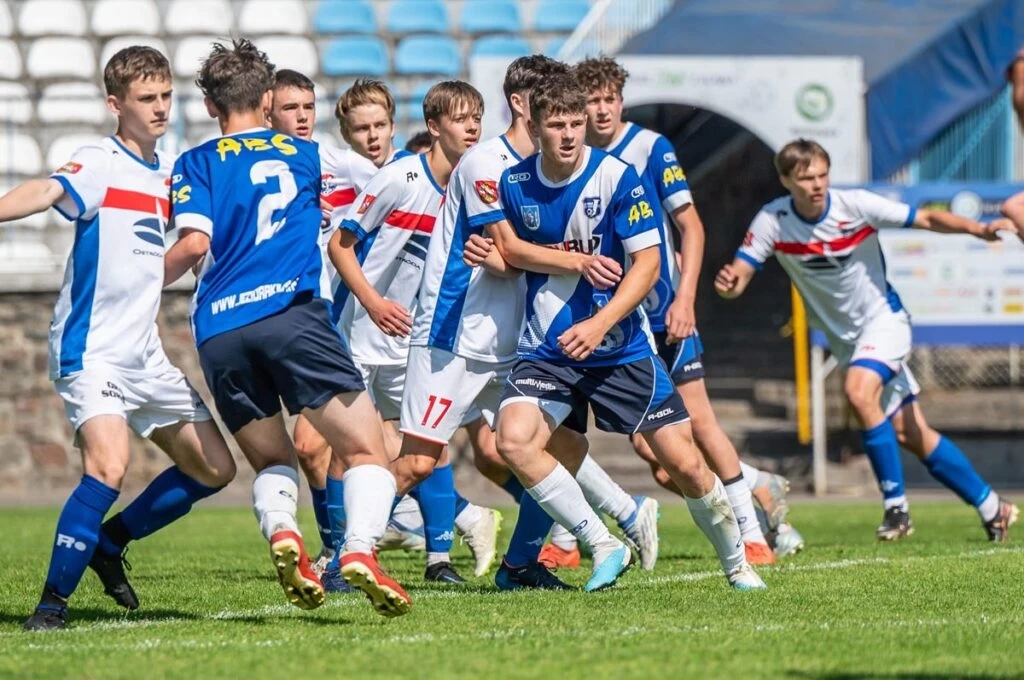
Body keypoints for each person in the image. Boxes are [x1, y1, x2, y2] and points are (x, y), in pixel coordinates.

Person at [481, 74, 764, 591]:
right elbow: (513, 252)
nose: (569, 134)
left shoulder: (617, 176)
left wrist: (599, 323)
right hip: (548, 349)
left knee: (684, 464)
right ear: (534, 127)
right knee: (514, 442)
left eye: (576, 123)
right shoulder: (513, 183)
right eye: (557, 124)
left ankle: (737, 565)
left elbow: (649, 264)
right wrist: (494, 257)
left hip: (618, 347)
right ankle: (602, 542)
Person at [164, 39, 410, 616]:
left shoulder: (193, 163)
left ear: (209, 105)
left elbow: (194, 245)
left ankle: (282, 531)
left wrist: (139, 286)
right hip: (292, 315)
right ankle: (357, 549)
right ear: (268, 100)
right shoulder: (306, 155)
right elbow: (383, 182)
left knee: (274, 459)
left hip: (220, 330)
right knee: (367, 449)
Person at [395, 55, 659, 591]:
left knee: (550, 447)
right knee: (421, 462)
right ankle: (346, 554)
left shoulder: (554, 172)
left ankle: (529, 560)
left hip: (520, 338)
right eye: (551, 109)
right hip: (457, 333)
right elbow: (510, 250)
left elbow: (514, 257)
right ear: (523, 106)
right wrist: (575, 260)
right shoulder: (486, 164)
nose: (564, 123)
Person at [532, 56, 801, 567]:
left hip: (658, 313)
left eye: (611, 99)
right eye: (593, 101)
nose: (602, 109)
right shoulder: (571, 159)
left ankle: (751, 535)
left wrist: (685, 299)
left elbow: (691, 227)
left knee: (698, 422)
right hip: (605, 316)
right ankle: (755, 485)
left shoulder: (650, 148)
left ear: (621, 101)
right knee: (647, 451)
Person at [3, 46, 236, 631]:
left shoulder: (174, 172)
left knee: (215, 469)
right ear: (116, 104)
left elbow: (191, 242)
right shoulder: (98, 161)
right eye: (146, 98)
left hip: (145, 354)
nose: (160, 108)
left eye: (166, 96)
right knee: (109, 467)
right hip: (93, 350)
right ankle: (51, 607)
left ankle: (109, 543)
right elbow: (47, 190)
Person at [716, 139, 1019, 542]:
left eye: (822, 175)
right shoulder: (773, 219)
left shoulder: (855, 205)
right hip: (847, 342)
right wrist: (729, 286)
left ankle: (896, 508)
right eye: (806, 178)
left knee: (858, 392)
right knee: (911, 433)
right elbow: (740, 275)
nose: (817, 185)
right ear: (786, 181)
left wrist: (979, 229)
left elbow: (926, 218)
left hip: (885, 322)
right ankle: (993, 508)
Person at [326, 80, 501, 584]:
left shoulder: (474, 188)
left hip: (416, 341)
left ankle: (438, 560)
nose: (472, 128)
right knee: (345, 452)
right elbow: (341, 246)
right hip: (360, 336)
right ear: (433, 127)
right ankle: (338, 558)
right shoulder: (399, 178)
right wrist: (375, 303)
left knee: (429, 448)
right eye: (460, 118)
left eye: (477, 118)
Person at [266, 68, 380, 576]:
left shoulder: (341, 164)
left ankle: (346, 547)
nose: (302, 117)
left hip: (333, 319)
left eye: (308, 107)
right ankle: (345, 545)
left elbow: (399, 201)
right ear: (268, 110)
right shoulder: (258, 166)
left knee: (317, 445)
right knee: (311, 451)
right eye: (291, 108)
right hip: (282, 316)